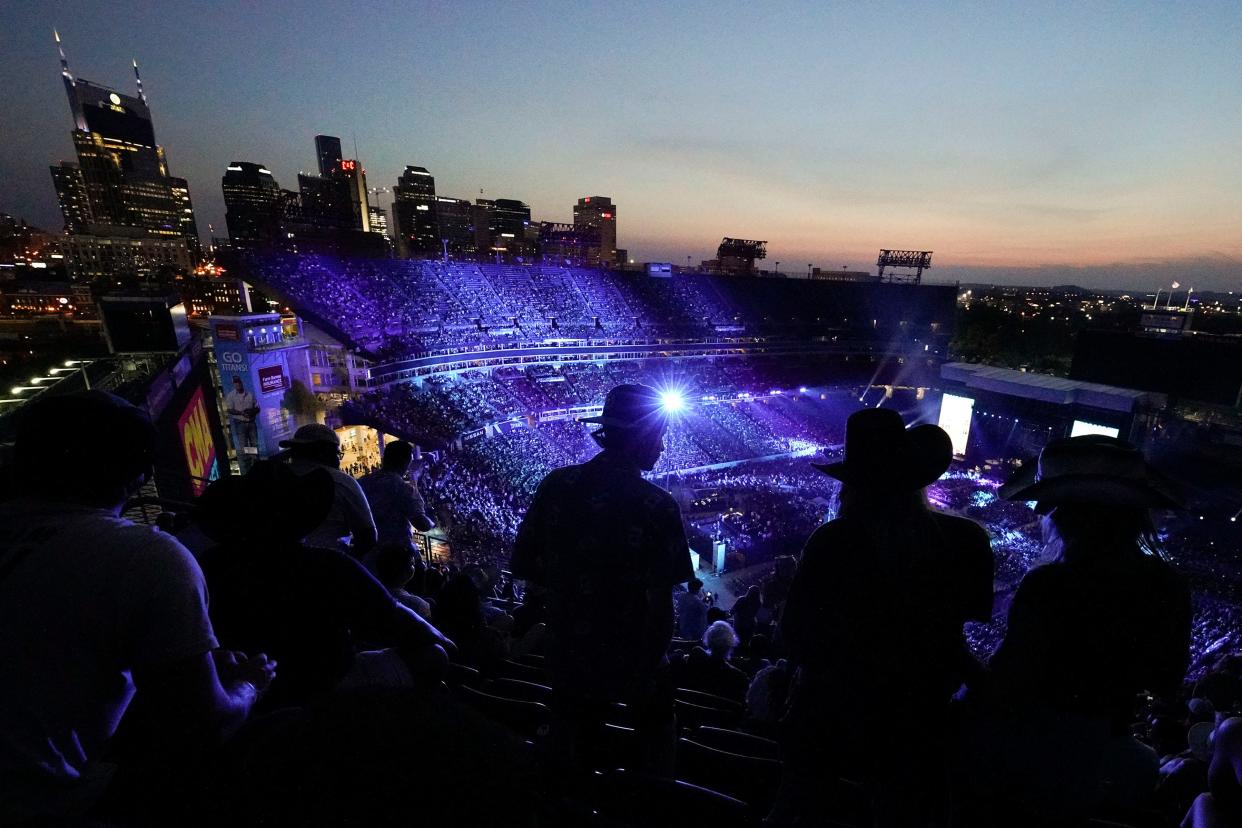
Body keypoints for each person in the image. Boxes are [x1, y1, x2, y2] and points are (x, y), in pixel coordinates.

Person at [0, 392, 275, 825]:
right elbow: (206, 725)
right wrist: (250, 686)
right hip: (45, 805)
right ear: (139, 475)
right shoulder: (147, 558)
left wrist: (193, 661)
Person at [770, 408, 993, 828]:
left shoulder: (835, 540)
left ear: (851, 484)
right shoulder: (966, 541)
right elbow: (958, 638)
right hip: (917, 726)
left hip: (828, 722)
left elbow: (793, 637)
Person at [958, 435, 1193, 826]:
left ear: (1068, 513)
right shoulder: (1168, 584)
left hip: (1022, 753)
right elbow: (1168, 679)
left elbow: (1006, 683)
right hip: (1098, 754)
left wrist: (957, 663)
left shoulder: (1050, 584)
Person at [512, 384, 693, 776]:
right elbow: (662, 607)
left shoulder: (556, 485)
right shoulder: (657, 505)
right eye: (660, 436)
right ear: (643, 435)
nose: (663, 447)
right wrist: (649, 672)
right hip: (633, 659)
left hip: (567, 653)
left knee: (570, 748)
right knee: (658, 737)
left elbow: (527, 569)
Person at [197, 460, 453, 709]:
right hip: (328, 688)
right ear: (299, 516)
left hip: (247, 696)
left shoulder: (205, 567)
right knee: (433, 656)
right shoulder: (326, 565)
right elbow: (399, 623)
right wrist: (449, 644)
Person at [280, 422, 377, 556]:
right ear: (325, 452)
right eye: (337, 454)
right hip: (330, 565)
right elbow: (368, 537)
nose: (339, 460)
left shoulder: (275, 479)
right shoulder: (341, 482)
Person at [359, 441, 435, 554]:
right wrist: (432, 522)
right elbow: (422, 524)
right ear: (406, 462)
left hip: (367, 550)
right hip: (395, 554)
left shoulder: (362, 481)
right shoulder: (402, 487)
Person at [676, 577, 709, 641]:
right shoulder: (699, 604)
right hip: (694, 634)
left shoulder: (681, 596)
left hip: (682, 627)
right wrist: (705, 604)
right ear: (698, 589)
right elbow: (704, 619)